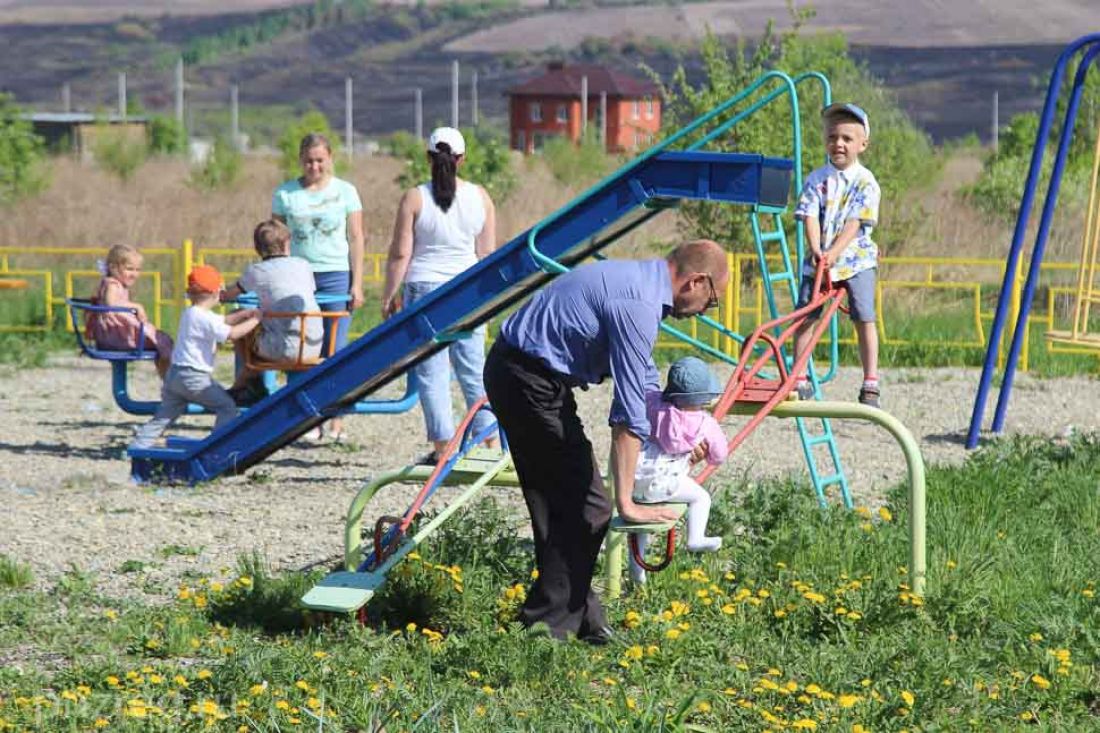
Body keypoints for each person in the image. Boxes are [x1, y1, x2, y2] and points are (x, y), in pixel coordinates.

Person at [483, 239, 729, 643]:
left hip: (526, 374)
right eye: (712, 300)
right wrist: (628, 501)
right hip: (524, 378)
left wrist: (678, 438)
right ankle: (547, 628)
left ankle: (580, 616)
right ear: (696, 282)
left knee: (561, 502)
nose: (706, 310)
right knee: (590, 505)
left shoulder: (639, 286)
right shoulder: (638, 304)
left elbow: (646, 385)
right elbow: (629, 414)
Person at [381, 127, 497, 462]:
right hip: (467, 290)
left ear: (428, 157)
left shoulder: (415, 197)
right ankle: (487, 442)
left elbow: (401, 253)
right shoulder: (481, 197)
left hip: (425, 288)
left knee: (431, 372)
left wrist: (389, 295)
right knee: (473, 369)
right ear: (462, 159)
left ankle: (443, 449)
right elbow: (487, 255)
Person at [272, 133, 364, 441]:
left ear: (330, 159)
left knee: (334, 350)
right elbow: (274, 240)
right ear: (301, 160)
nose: (314, 166)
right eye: (309, 160)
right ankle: (304, 420)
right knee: (300, 347)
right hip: (297, 276)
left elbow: (356, 237)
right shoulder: (286, 194)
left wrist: (358, 282)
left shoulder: (346, 192)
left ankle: (336, 419)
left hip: (336, 273)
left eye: (320, 160)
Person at [792, 102, 882, 408]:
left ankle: (870, 382)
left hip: (855, 259)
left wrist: (835, 251)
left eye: (846, 138)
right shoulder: (817, 179)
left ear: (862, 144)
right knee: (807, 316)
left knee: (863, 316)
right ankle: (799, 377)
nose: (838, 144)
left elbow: (857, 222)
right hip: (820, 260)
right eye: (833, 137)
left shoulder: (865, 181)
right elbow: (809, 215)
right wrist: (817, 250)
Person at [130, 265, 260, 450]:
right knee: (226, 407)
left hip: (175, 376)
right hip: (194, 378)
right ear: (217, 293)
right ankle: (217, 448)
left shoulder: (192, 313)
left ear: (190, 294)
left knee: (163, 417)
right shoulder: (204, 318)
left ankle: (138, 446)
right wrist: (256, 320)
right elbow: (232, 333)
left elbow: (222, 321)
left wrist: (244, 314)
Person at [629, 356, 729, 585]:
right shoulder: (705, 423)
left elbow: (646, 390)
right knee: (701, 498)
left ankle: (637, 575)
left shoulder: (654, 406)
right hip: (668, 481)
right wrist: (708, 454)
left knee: (639, 527)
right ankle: (695, 538)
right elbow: (719, 455)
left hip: (638, 477)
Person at [221, 219, 322, 407]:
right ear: (286, 244)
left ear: (258, 249)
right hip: (313, 344)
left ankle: (251, 375)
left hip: (281, 349)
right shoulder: (303, 265)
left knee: (241, 316)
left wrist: (219, 294)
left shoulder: (256, 270)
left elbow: (229, 294)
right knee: (265, 321)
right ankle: (248, 379)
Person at [88, 244, 173, 378]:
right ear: (113, 268)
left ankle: (168, 381)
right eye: (129, 269)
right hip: (117, 336)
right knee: (163, 341)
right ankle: (170, 383)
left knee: (163, 342)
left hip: (116, 334)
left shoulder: (115, 283)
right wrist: (136, 306)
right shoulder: (112, 284)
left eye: (137, 270)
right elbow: (111, 303)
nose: (134, 274)